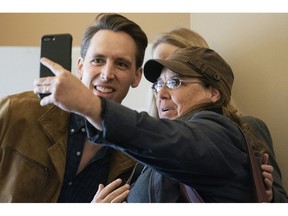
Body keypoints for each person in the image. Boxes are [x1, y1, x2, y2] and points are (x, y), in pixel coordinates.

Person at [34, 45, 270, 202]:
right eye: (158, 85)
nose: (161, 94)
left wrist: (91, 105)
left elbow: (171, 140)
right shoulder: (156, 153)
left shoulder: (218, 133)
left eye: (175, 83)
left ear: (213, 93)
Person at [0, 13, 148, 202]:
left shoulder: (135, 157)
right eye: (98, 60)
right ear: (80, 67)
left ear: (136, 76)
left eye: (121, 64)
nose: (107, 74)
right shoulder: (16, 111)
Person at [148, 27, 288, 202]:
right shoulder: (147, 145)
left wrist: (270, 196)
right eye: (159, 80)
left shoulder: (247, 128)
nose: (164, 87)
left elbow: (280, 200)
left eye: (174, 78)